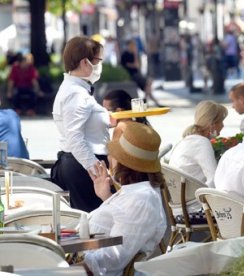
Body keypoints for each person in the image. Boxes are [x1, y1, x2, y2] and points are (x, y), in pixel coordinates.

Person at [82, 121, 166, 275]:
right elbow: (121, 223)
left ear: (123, 164)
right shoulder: (136, 193)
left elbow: (115, 257)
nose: (108, 158)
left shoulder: (142, 199)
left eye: (113, 155)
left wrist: (71, 262)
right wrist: (106, 197)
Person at [51, 36, 110, 212]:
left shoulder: (77, 89)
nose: (100, 66)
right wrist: (95, 169)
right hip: (83, 166)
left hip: (82, 164)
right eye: (98, 61)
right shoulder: (75, 94)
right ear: (85, 62)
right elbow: (75, 137)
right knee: (97, 225)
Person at [169, 100, 228, 188]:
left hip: (179, 197)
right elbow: (214, 180)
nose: (223, 126)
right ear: (212, 124)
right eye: (221, 121)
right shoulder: (201, 143)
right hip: (192, 199)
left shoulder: (188, 140)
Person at [120, 39, 163, 107]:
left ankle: (148, 101)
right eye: (132, 45)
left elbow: (137, 65)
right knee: (148, 85)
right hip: (131, 75)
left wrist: (135, 54)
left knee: (148, 86)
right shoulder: (125, 54)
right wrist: (133, 63)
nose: (134, 46)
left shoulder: (134, 53)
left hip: (137, 74)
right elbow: (130, 65)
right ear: (128, 46)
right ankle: (149, 101)